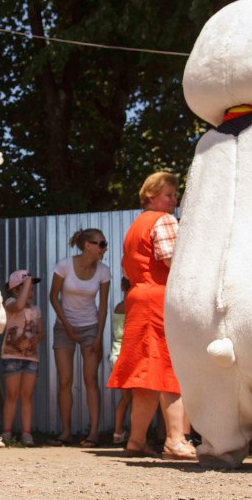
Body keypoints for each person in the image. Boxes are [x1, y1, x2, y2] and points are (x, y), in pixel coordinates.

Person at [108, 171, 194, 460]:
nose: (174, 200)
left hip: (137, 299)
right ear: (151, 196)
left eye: (174, 195)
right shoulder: (165, 221)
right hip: (160, 298)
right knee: (170, 369)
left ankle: (136, 440)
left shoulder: (135, 226)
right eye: (168, 195)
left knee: (146, 374)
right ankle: (176, 440)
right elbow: (175, 263)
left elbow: (127, 267)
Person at [49, 228, 112, 447]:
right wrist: (67, 326)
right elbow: (53, 297)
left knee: (90, 380)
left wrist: (97, 337)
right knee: (65, 380)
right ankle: (65, 432)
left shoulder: (104, 271)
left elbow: (103, 307)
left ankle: (93, 433)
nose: (105, 248)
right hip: (63, 328)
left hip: (90, 328)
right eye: (102, 244)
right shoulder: (64, 266)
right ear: (88, 245)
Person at [0, 269, 41, 447]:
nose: (31, 292)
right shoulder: (9, 303)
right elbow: (18, 306)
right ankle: (7, 433)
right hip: (11, 356)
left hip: (30, 358)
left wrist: (33, 341)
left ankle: (26, 433)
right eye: (26, 288)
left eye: (32, 289)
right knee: (11, 395)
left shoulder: (35, 310)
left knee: (27, 395)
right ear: (15, 290)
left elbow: (41, 333)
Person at [109, 276, 131, 445]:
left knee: (126, 397)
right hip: (128, 356)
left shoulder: (119, 307)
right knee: (137, 398)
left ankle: (118, 433)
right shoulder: (133, 307)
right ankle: (138, 436)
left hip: (116, 355)